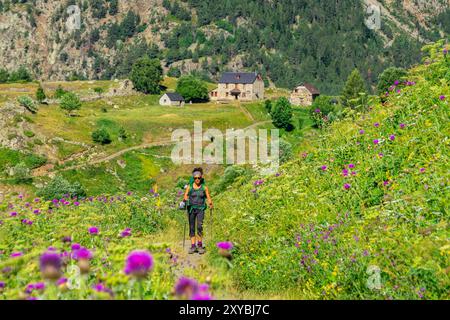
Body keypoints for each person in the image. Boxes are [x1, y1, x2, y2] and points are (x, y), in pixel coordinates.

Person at [183, 167, 213, 254]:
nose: (197, 179)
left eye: (199, 178)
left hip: (200, 209)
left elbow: (208, 197)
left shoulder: (204, 188)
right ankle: (193, 246)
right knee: (192, 227)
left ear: (201, 178)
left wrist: (210, 203)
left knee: (200, 227)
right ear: (193, 178)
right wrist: (185, 199)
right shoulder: (189, 187)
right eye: (195, 178)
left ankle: (200, 246)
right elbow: (185, 195)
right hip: (191, 209)